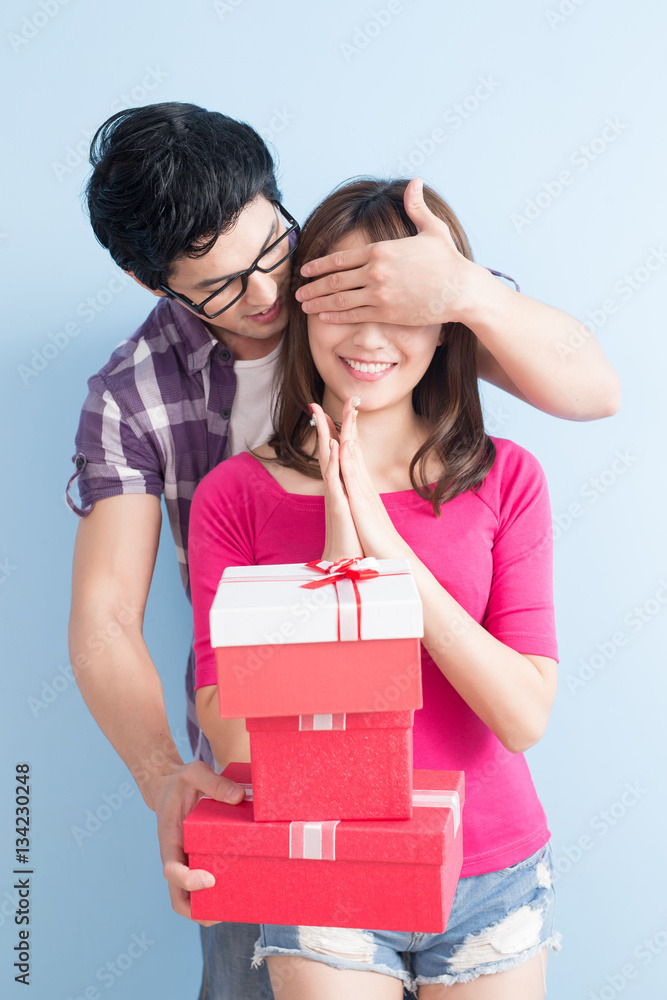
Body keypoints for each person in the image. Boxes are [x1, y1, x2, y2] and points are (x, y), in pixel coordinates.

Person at [66, 102, 619, 1000]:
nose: (267, 297)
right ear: (150, 282)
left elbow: (594, 388)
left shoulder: (377, 294)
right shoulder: (140, 401)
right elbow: (104, 618)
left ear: (279, 205)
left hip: (480, 840)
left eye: (270, 252)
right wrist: (164, 775)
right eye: (219, 285)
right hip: (267, 787)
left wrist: (463, 290)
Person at [190, 178, 566, 999]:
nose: (368, 336)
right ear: (301, 308)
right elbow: (241, 742)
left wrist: (389, 552)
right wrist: (338, 548)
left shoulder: (509, 481)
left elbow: (521, 715)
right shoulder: (234, 497)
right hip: (324, 865)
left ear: (443, 328)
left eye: (398, 308)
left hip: (492, 870)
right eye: (340, 301)